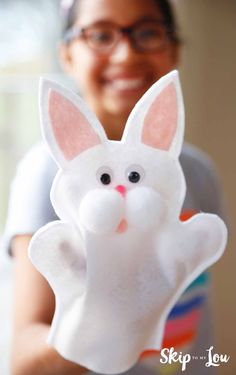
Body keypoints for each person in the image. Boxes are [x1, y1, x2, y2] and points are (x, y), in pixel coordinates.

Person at [3, 0, 226, 374]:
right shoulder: (46, 174)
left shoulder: (199, 174)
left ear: (174, 49)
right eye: (100, 35)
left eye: (148, 32)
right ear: (67, 55)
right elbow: (25, 362)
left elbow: (197, 330)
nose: (125, 54)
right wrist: (109, 317)